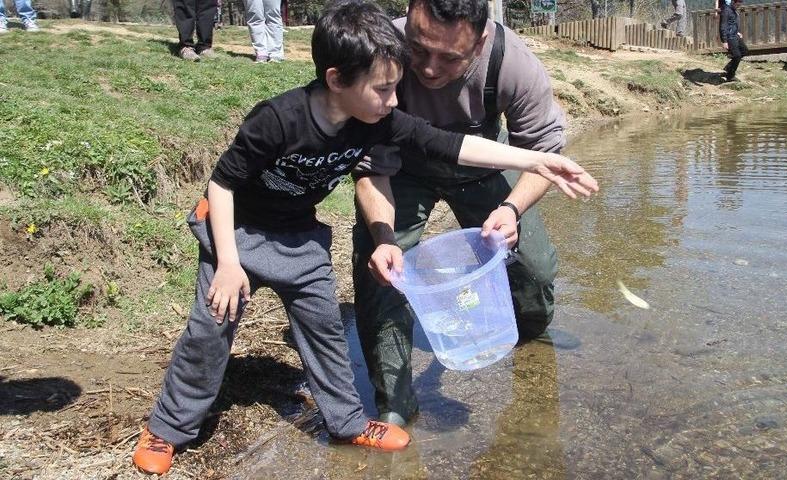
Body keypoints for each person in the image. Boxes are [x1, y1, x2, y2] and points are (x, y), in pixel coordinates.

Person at [131, 0, 597, 475]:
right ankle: (167, 429)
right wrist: (229, 262)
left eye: (398, 87)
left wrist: (536, 161)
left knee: (326, 334)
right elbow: (222, 183)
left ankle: (348, 422)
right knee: (211, 329)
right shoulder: (278, 119)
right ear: (337, 79)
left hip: (301, 238)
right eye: (386, 89)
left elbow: (448, 144)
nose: (398, 99)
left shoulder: (380, 113)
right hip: (239, 234)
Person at [351, 0, 597, 427]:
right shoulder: (379, 50)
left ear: (481, 40)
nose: (427, 69)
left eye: (449, 57)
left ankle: (530, 339)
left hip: (481, 163)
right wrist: (385, 238)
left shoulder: (513, 64)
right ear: (408, 17)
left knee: (533, 271)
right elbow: (369, 168)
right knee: (382, 271)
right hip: (400, 168)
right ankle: (394, 401)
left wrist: (511, 208)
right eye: (418, 48)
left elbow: (542, 153)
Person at [719, 0, 747, 82]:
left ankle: (728, 68)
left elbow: (732, 23)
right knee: (737, 56)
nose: (739, 6)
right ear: (733, 2)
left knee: (744, 50)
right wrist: (724, 41)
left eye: (740, 4)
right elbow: (723, 26)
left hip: (735, 35)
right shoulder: (726, 11)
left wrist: (737, 32)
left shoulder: (733, 10)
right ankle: (730, 76)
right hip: (729, 37)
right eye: (738, 4)